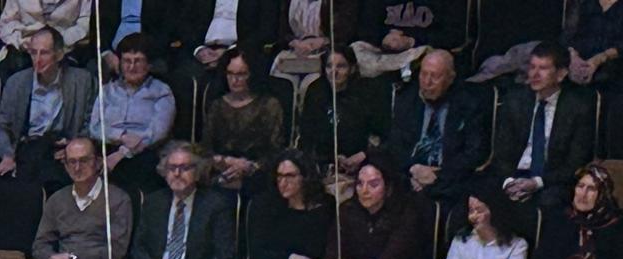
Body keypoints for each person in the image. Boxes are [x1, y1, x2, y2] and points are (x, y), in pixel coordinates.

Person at [491, 42, 596, 227]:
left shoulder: (578, 107)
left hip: (551, 180)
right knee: (478, 192)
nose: (535, 74)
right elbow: (502, 151)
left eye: (543, 68)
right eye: (532, 67)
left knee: (550, 201)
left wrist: (537, 182)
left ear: (561, 74)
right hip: (515, 175)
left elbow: (576, 161)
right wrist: (509, 182)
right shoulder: (515, 101)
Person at [32, 138, 134, 259]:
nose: (77, 168)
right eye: (72, 162)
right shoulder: (56, 200)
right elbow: (39, 246)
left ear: (98, 162)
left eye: (84, 160)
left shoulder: (118, 199)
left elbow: (117, 249)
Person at [128, 143, 238, 259]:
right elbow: (138, 247)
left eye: (185, 168)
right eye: (172, 168)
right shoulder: (154, 202)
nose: (177, 174)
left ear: (198, 172)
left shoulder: (215, 205)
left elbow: (225, 254)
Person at [319, 159, 430, 259]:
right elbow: (332, 252)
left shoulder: (405, 213)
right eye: (360, 184)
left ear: (388, 187)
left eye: (373, 184)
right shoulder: (346, 209)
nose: (364, 190)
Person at [0, 27, 95, 187]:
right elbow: (2, 126)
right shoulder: (16, 82)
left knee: (52, 182)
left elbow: (90, 122)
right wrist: (7, 155)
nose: (37, 59)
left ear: (59, 55)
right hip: (26, 148)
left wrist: (73, 149)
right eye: (33, 53)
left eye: (44, 53)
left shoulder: (82, 81)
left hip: (63, 149)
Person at [381, 49, 487, 206]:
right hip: (409, 174)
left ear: (450, 78)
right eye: (423, 74)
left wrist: (438, 175)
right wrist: (413, 169)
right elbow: (395, 144)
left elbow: (475, 152)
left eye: (435, 76)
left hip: (449, 177)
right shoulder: (407, 100)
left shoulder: (468, 104)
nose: (427, 82)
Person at [85, 34, 176, 193]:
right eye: (127, 61)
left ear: (148, 65)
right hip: (107, 146)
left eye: (138, 61)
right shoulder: (107, 91)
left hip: (145, 152)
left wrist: (123, 153)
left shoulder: (161, 91)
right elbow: (95, 127)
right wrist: (121, 136)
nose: (132, 67)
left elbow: (158, 133)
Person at [240, 149, 329, 259]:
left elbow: (317, 255)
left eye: (290, 176)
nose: (283, 182)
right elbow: (258, 249)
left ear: (305, 177)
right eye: (279, 176)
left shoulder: (322, 208)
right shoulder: (265, 206)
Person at [298, 43, 387, 176]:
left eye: (341, 66)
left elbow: (383, 135)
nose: (334, 72)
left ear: (352, 68)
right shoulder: (316, 91)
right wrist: (329, 160)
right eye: (329, 66)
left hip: (362, 162)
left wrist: (363, 155)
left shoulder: (367, 93)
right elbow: (307, 134)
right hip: (324, 164)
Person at [205, 49, 286, 193]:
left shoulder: (269, 105)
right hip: (222, 170)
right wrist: (225, 161)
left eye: (241, 74)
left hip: (259, 174)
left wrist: (251, 166)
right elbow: (206, 147)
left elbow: (276, 150)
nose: (234, 80)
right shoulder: (217, 105)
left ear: (252, 74)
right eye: (230, 73)